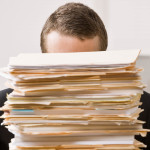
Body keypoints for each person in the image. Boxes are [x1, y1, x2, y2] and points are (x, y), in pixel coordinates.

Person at [0, 2, 150, 150]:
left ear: (106, 61)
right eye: (59, 65)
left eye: (84, 67)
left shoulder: (143, 108)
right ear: (42, 59)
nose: (70, 79)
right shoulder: (6, 108)